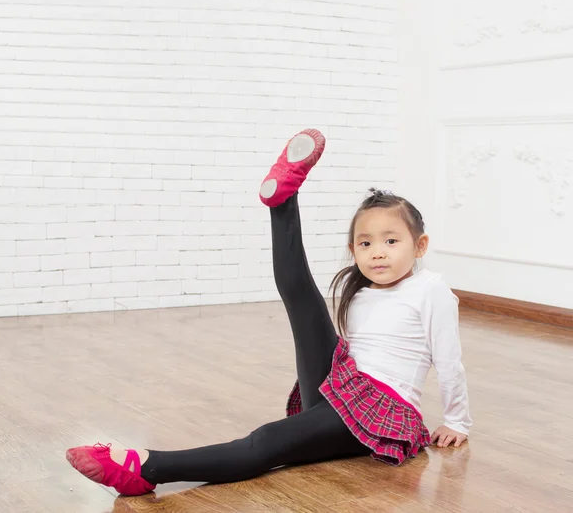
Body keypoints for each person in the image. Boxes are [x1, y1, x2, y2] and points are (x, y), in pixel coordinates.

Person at [66, 129, 472, 496]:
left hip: (381, 411)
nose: (377, 251)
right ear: (353, 251)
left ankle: (149, 467)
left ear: (419, 246)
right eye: (365, 244)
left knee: (266, 443)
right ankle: (284, 197)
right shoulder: (362, 291)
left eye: (390, 240)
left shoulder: (430, 288)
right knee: (300, 297)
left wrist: (457, 421)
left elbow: (448, 359)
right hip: (342, 386)